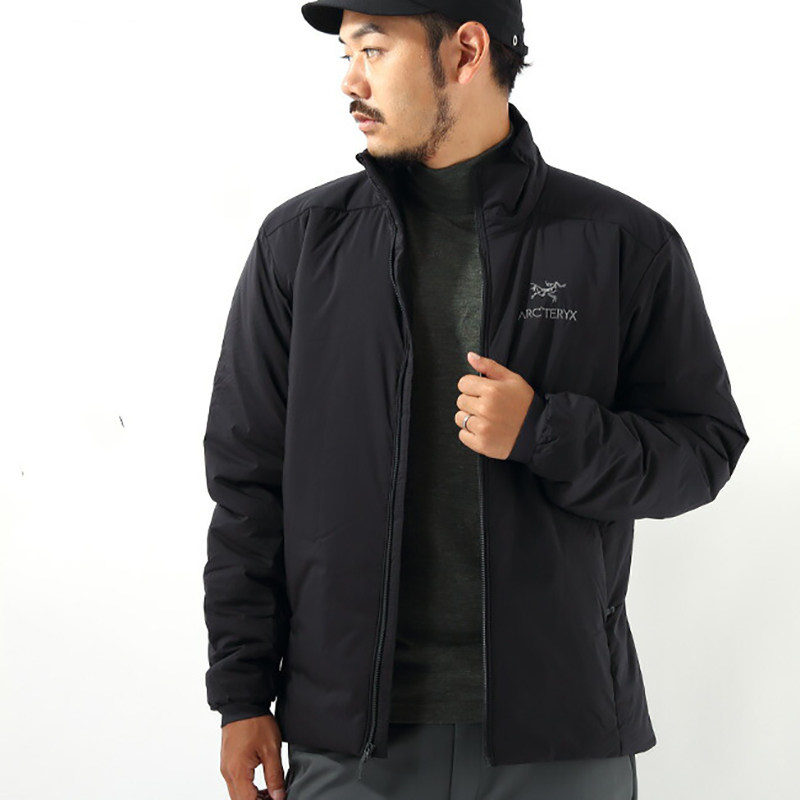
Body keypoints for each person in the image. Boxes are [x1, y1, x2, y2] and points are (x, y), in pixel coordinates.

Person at [201, 1, 749, 798]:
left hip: (559, 740)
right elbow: (248, 488)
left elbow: (704, 451)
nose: (350, 81)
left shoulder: (622, 243)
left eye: (373, 50)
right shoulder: (301, 246)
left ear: (465, 51)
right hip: (351, 741)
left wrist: (546, 432)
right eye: (346, 55)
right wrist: (242, 695)